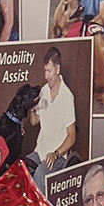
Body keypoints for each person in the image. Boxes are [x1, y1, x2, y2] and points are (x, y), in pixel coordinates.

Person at [31, 45, 80, 188]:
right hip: (39, 152)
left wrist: (56, 154)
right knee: (21, 167)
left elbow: (72, 136)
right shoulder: (43, 91)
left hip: (58, 157)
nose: (46, 76)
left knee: (40, 172)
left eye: (49, 71)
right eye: (44, 71)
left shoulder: (67, 97)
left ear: (57, 69)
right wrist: (32, 110)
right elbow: (34, 122)